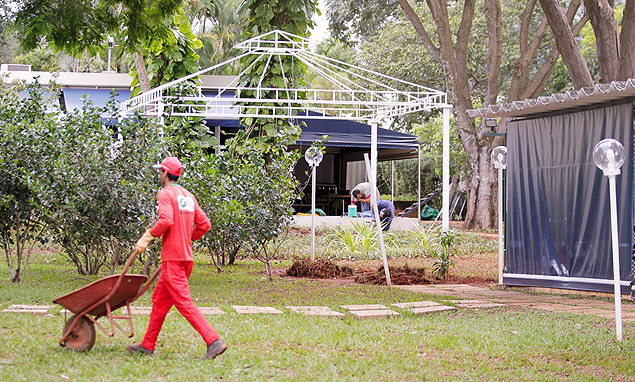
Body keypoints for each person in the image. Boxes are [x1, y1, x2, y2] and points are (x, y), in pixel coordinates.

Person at [126, 157, 227, 360]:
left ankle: (213, 341)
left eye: (160, 171)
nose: (159, 175)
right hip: (185, 258)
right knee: (160, 302)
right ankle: (147, 345)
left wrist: (148, 236)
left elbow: (166, 220)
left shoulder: (164, 194)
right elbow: (204, 224)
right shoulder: (188, 196)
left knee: (184, 302)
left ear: (164, 173)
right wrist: (188, 237)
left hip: (172, 259)